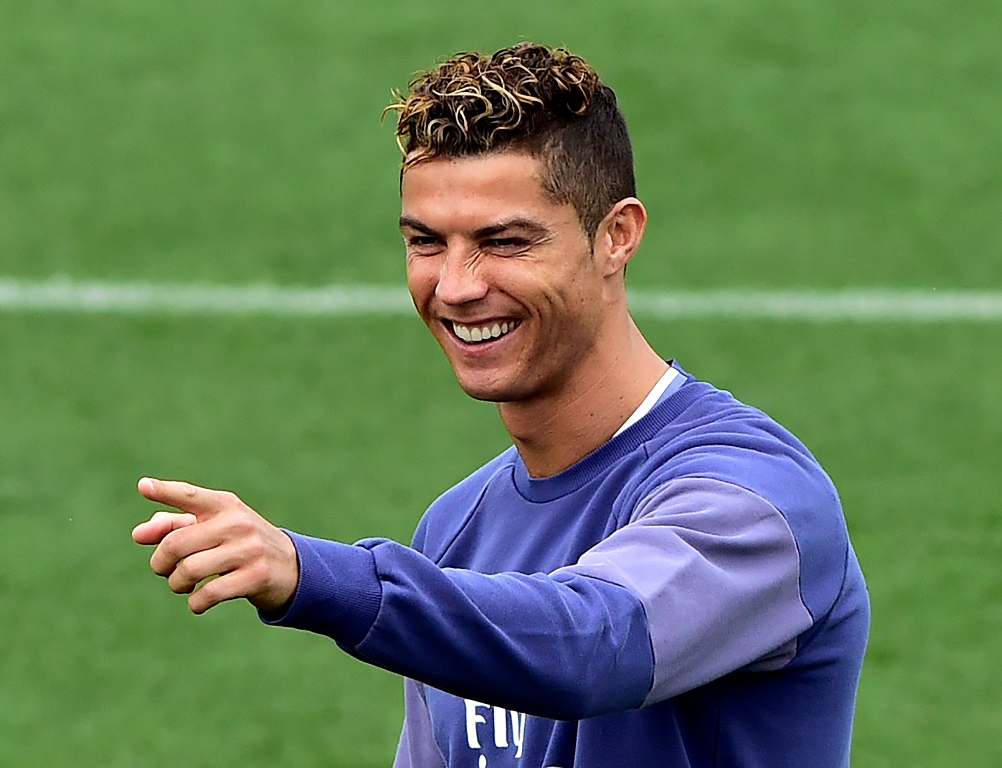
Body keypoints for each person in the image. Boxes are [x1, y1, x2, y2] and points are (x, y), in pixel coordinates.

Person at [133, 42, 869, 768]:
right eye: (426, 242)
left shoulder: (754, 499)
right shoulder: (456, 530)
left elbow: (597, 644)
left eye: (504, 241)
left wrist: (312, 574)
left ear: (617, 236)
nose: (454, 286)